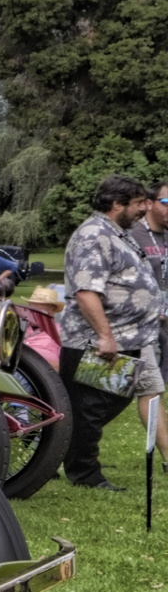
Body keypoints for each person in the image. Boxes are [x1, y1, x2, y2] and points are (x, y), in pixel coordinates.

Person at [58, 174, 162, 490]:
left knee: (108, 402)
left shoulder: (117, 232)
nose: (145, 209)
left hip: (127, 337)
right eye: (138, 203)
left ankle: (60, 451)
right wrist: (105, 335)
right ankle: (84, 474)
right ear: (117, 204)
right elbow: (86, 291)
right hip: (96, 341)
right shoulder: (93, 235)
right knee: (88, 409)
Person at [130, 181, 168, 465]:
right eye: (166, 202)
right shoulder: (133, 235)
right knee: (150, 388)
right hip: (143, 326)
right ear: (150, 203)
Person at [22, 285, 65, 369]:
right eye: (32, 310)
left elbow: (64, 367)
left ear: (52, 311)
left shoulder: (60, 332)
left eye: (41, 311)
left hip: (43, 376)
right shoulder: (20, 327)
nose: (36, 315)